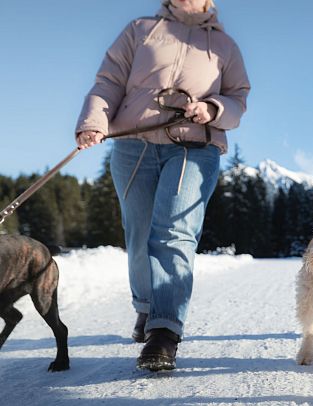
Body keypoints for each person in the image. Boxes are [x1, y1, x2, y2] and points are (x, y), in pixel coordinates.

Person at [76, 0, 250, 371]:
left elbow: (238, 98)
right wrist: (94, 121)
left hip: (194, 146)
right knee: (139, 233)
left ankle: (164, 331)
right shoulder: (140, 29)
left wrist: (214, 108)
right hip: (133, 143)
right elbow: (109, 80)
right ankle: (146, 306)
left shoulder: (225, 46)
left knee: (174, 231)